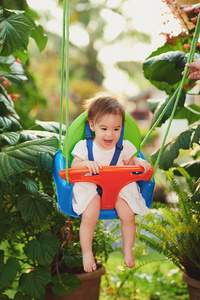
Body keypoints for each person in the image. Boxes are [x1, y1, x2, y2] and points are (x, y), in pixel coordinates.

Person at [71, 94, 151, 272]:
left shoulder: (124, 146)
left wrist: (139, 162)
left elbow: (131, 161)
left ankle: (127, 248)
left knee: (128, 215)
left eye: (116, 129)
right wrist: (85, 164)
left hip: (118, 188)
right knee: (89, 215)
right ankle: (86, 252)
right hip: (91, 186)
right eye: (104, 128)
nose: (110, 134)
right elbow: (74, 166)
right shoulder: (84, 146)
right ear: (92, 125)